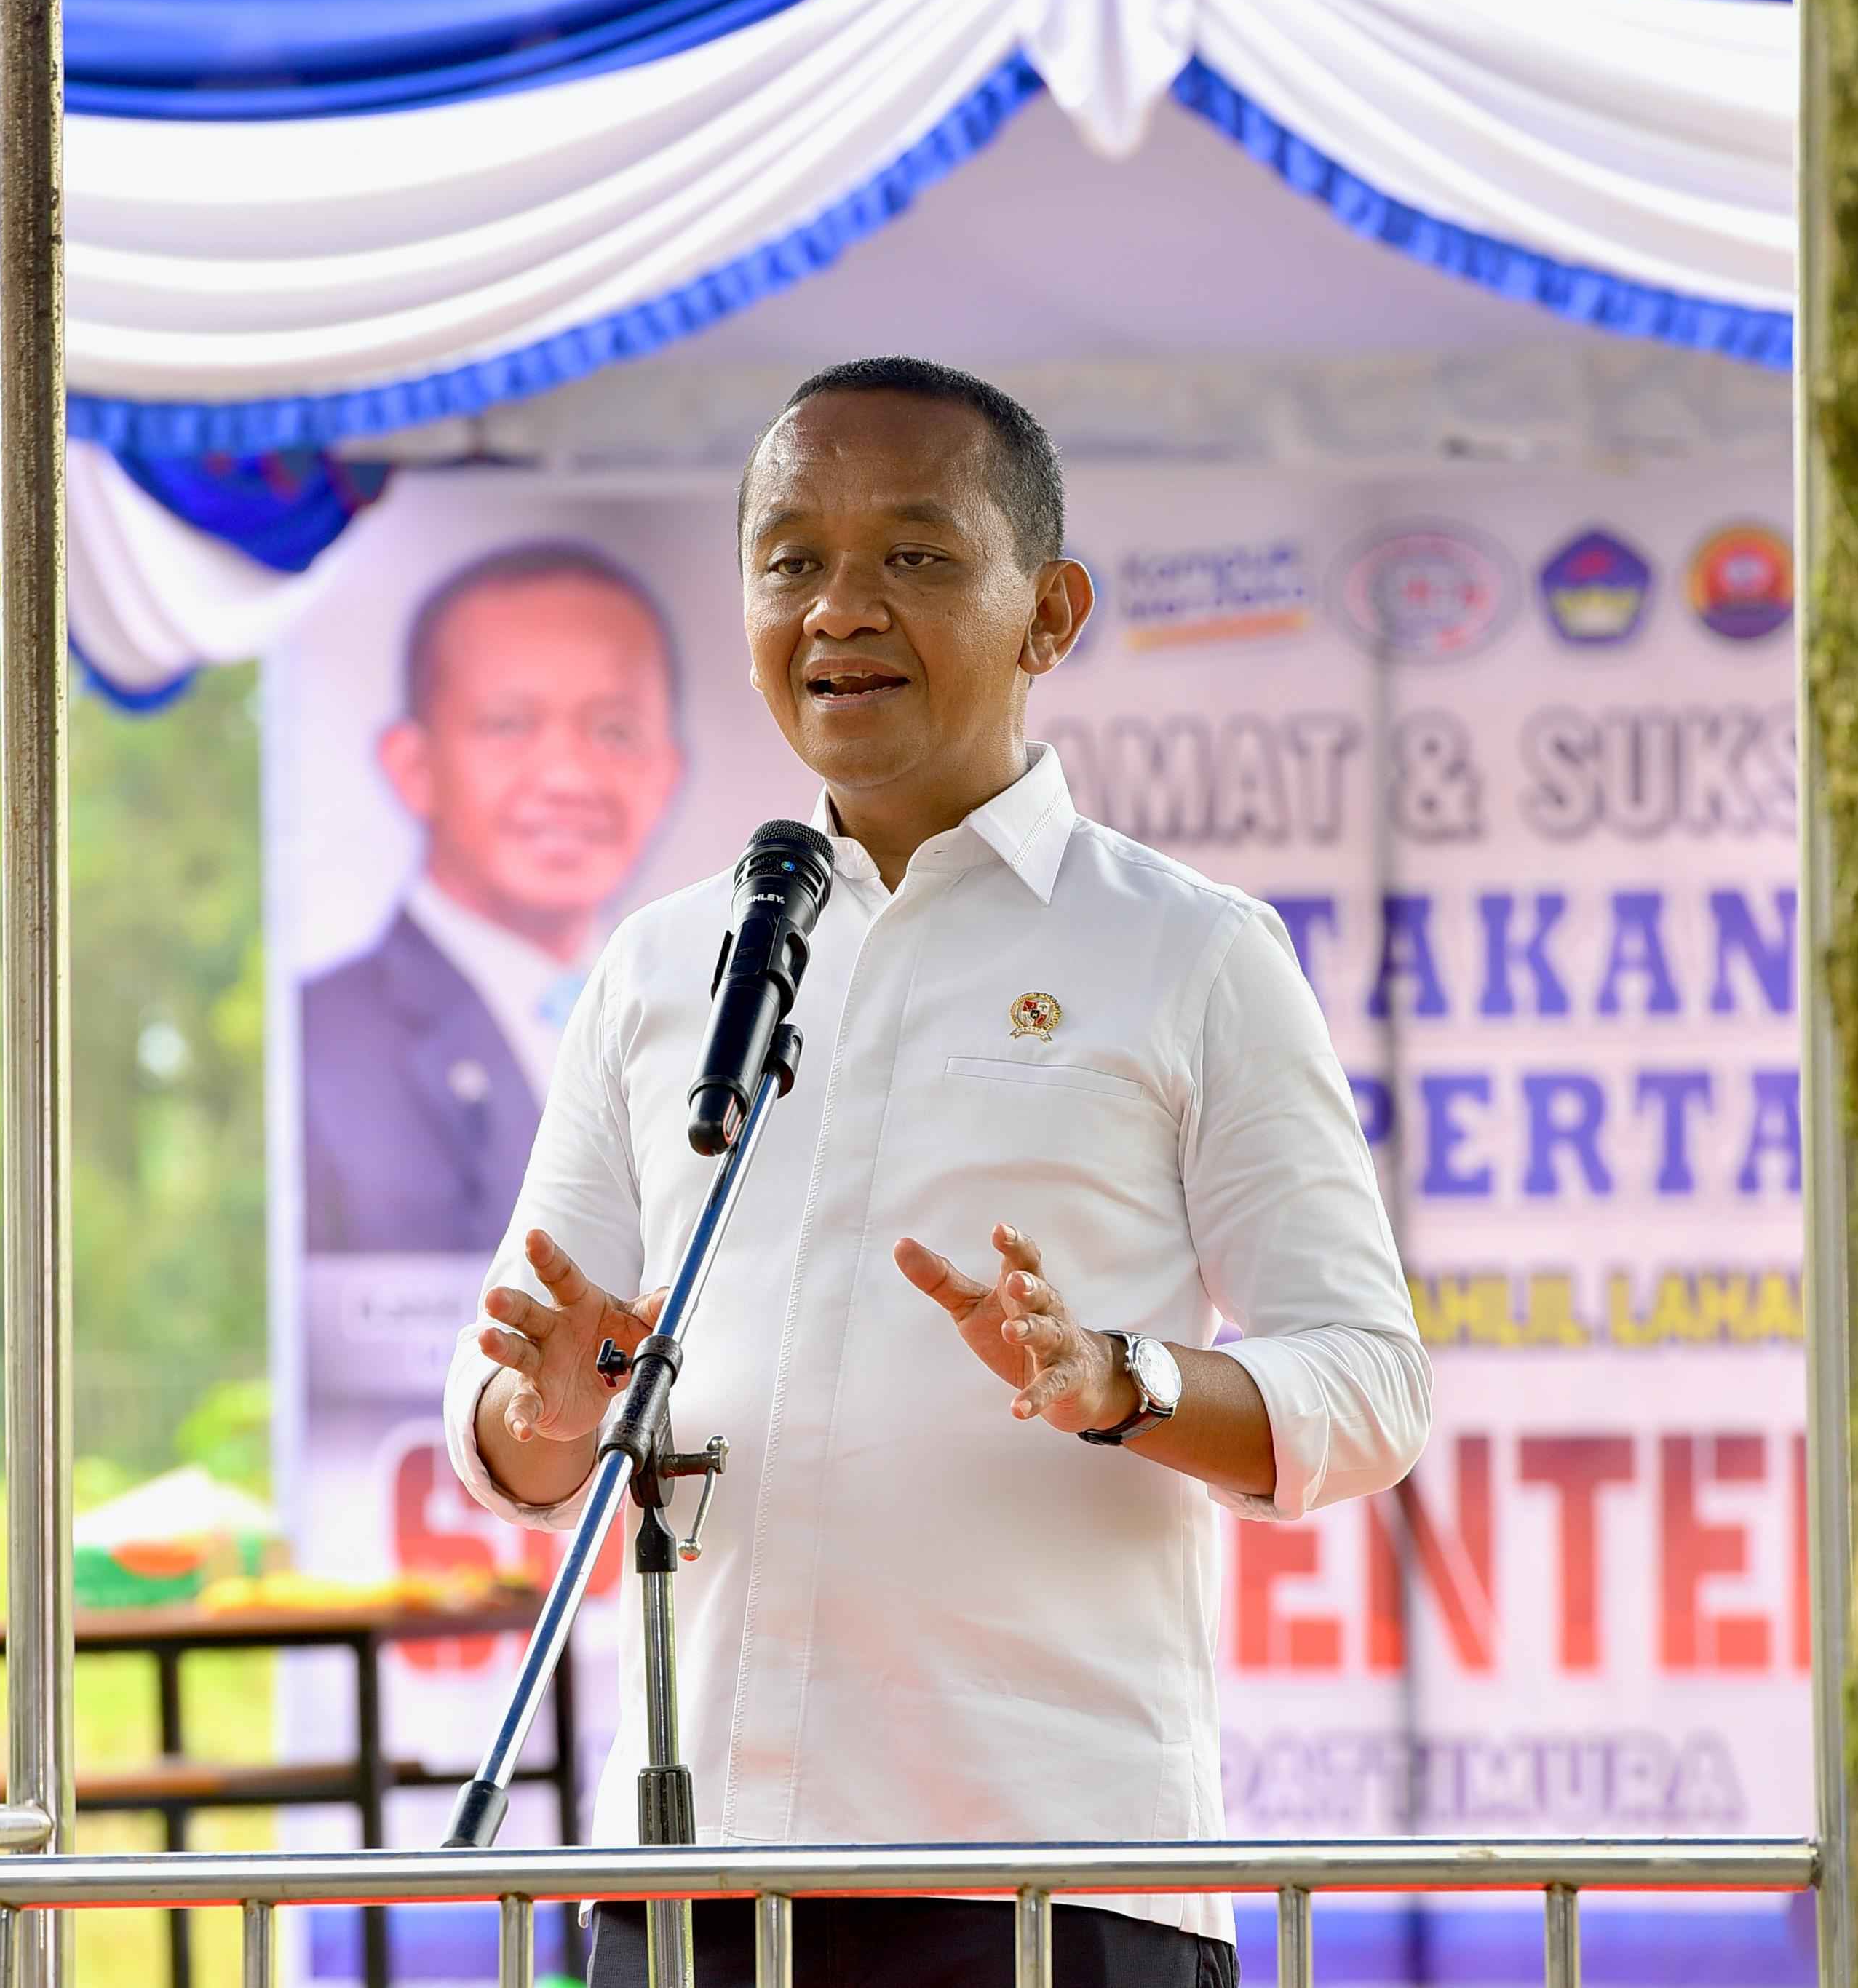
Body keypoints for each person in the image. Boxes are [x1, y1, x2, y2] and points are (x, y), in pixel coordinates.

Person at [442, 358, 1430, 1987]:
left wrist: (1119, 1378)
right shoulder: (666, 964)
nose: (838, 608)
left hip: (1045, 1875)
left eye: (913, 555)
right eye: (790, 560)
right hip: (687, 1878)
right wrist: (544, 1412)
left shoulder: (1189, 954)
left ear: (1050, 612)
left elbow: (1370, 1381)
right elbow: (504, 1420)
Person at [299, 543, 685, 1255]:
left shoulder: (715, 1025)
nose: (568, 777)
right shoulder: (318, 1044)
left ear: (666, 775)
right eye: (509, 725)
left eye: (615, 731)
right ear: (413, 767)